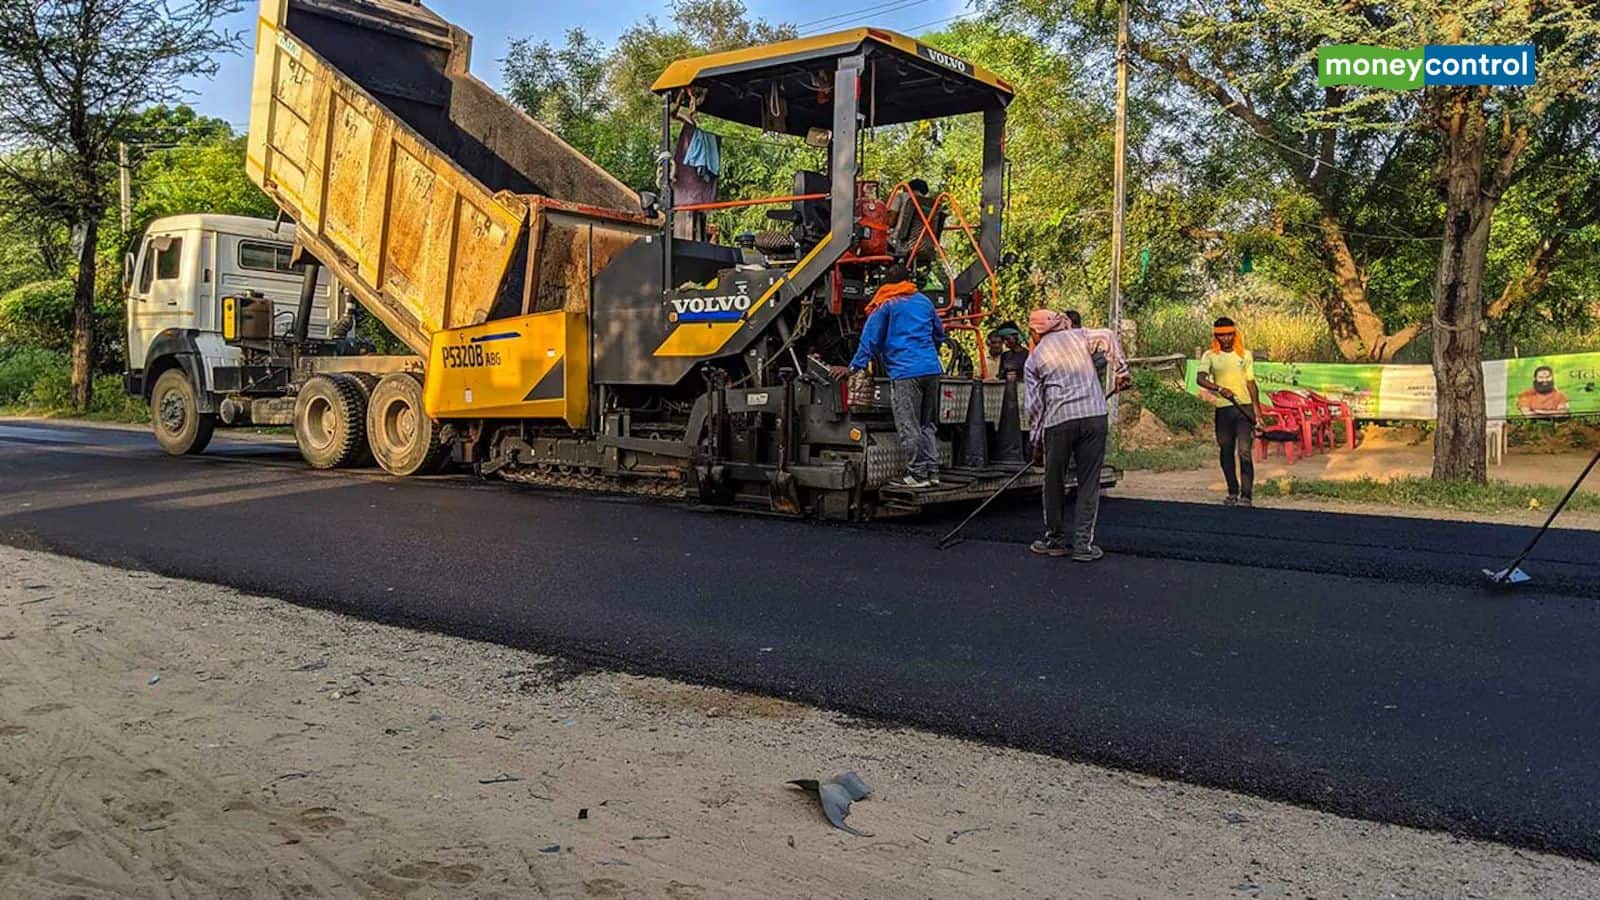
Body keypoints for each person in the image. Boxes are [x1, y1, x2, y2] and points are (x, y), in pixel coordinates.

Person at [1024, 309, 1130, 561]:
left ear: (1036, 332)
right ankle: (1083, 545)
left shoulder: (1034, 359)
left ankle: (1055, 540)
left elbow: (1035, 407)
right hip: (1094, 416)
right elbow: (1108, 336)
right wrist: (1122, 372)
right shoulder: (1079, 336)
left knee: (1053, 482)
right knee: (1088, 482)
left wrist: (1036, 442)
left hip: (1058, 422)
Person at [849, 264, 948, 488]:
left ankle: (917, 474)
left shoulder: (887, 303)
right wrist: (930, 353)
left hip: (906, 372)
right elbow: (939, 333)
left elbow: (870, 337)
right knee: (927, 424)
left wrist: (857, 365)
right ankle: (932, 472)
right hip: (932, 370)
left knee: (908, 424)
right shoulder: (924, 301)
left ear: (887, 282)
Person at [1195, 317, 1262, 507]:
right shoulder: (1210, 355)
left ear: (1235, 334)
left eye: (1229, 334)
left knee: (1244, 452)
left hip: (1244, 409)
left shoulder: (1245, 355)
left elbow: (1251, 383)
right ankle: (1232, 491)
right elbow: (1200, 379)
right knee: (1226, 450)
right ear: (1216, 337)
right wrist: (1218, 388)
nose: (1226, 338)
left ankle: (1246, 495)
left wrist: (1257, 412)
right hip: (1224, 409)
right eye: (1221, 335)